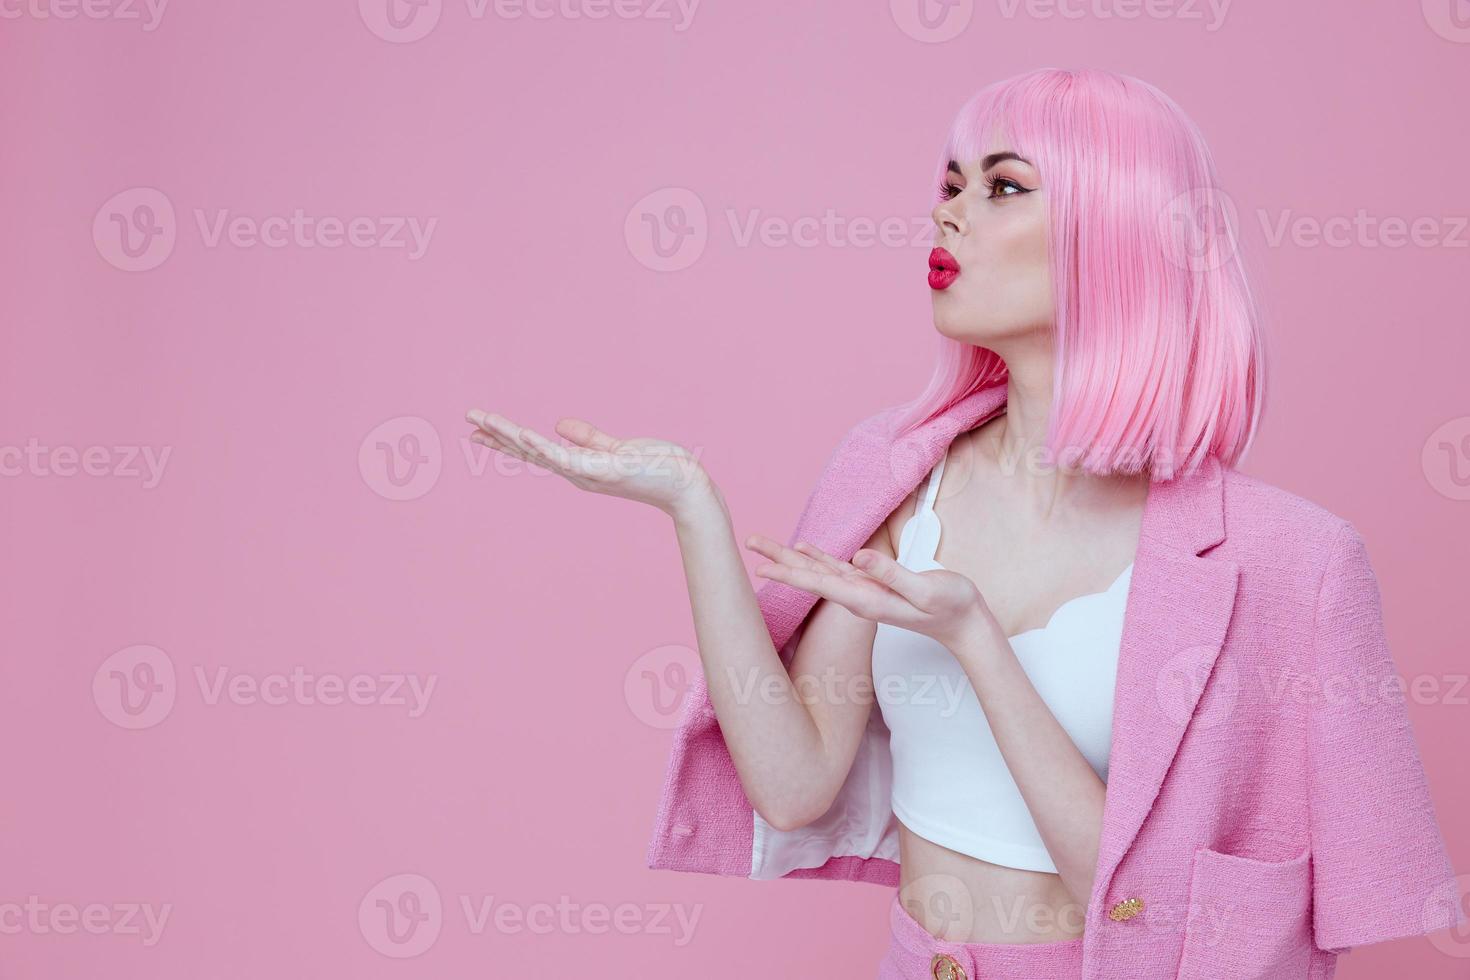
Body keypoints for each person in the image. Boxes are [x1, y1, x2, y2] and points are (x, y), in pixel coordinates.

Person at [465, 68, 1462, 980]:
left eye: (1004, 186)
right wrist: (693, 507)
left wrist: (976, 641)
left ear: (1111, 233)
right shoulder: (896, 471)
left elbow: (1141, 908)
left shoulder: (1290, 560)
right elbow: (792, 781)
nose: (949, 213)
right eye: (950, 183)